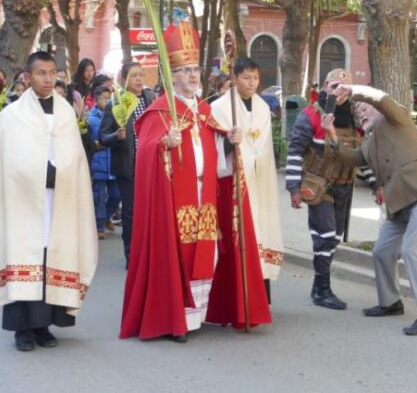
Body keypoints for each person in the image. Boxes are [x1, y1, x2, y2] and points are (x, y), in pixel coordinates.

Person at [121, 21, 265, 341]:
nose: (192, 76)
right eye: (185, 70)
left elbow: (218, 158)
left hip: (206, 195)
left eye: (195, 69)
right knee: (179, 256)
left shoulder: (203, 110)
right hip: (174, 199)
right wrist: (164, 146)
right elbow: (144, 153)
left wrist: (229, 139)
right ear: (172, 75)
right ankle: (176, 318)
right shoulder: (158, 113)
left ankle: (195, 315)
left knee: (206, 254)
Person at [0, 51, 98, 352]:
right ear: (27, 77)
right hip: (23, 203)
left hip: (60, 199)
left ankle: (44, 325)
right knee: (24, 259)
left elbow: (75, 156)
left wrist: (63, 173)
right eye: (41, 73)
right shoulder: (12, 116)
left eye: (52, 72)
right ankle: (22, 329)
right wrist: (38, 172)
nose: (48, 79)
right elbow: (4, 161)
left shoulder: (66, 112)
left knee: (51, 258)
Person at [325, 83, 417, 336]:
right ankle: (391, 302)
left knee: (412, 251)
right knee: (381, 252)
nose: (362, 112)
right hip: (398, 206)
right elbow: (353, 159)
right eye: (358, 111)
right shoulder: (369, 143)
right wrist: (333, 139)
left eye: (366, 108)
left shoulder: (397, 120)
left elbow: (382, 99)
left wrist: (353, 90)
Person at [284, 69, 369, 310]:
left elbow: (362, 155)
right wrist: (293, 187)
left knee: (333, 239)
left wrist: (376, 184)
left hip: (345, 187)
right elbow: (295, 151)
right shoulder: (310, 115)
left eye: (344, 89)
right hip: (319, 186)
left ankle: (318, 285)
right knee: (324, 236)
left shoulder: (355, 117)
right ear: (324, 86)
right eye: (334, 87)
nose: (338, 93)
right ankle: (322, 289)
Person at [210, 58, 284, 294]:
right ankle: (237, 294)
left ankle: (260, 291)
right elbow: (215, 146)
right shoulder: (220, 108)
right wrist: (230, 144)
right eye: (246, 77)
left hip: (260, 178)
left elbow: (263, 145)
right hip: (234, 179)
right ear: (234, 78)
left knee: (261, 226)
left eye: (255, 78)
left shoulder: (263, 107)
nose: (252, 83)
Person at [99, 62, 155, 265]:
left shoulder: (151, 99)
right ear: (124, 79)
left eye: (141, 75)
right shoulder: (116, 103)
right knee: (130, 213)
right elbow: (103, 136)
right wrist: (116, 135)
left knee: (150, 211)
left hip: (151, 164)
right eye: (134, 75)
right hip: (127, 165)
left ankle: (149, 252)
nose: (139, 79)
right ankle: (131, 255)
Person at [87, 86, 118, 239]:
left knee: (116, 195)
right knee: (99, 196)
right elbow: (92, 141)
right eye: (104, 98)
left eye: (109, 98)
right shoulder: (92, 119)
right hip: (99, 161)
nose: (107, 101)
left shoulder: (116, 114)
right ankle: (99, 226)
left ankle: (106, 217)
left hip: (113, 160)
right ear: (96, 100)